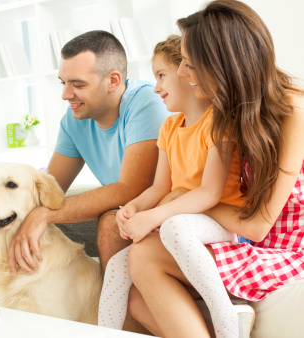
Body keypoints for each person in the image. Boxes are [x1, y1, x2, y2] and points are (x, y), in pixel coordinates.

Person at [118, 1, 304, 337]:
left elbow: (260, 226)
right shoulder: (228, 112)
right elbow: (204, 192)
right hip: (241, 234)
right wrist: (172, 202)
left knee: (147, 257)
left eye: (189, 64)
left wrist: (175, 201)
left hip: (281, 246)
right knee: (136, 290)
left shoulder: (293, 111)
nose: (183, 73)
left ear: (223, 63)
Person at [98, 34, 248, 336]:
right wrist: (134, 208)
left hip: (222, 224)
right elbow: (160, 187)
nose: (156, 88)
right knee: (116, 267)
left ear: (187, 72)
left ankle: (227, 320)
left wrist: (153, 217)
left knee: (174, 227)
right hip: (181, 220)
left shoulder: (219, 122)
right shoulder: (169, 127)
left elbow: (209, 193)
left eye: (161, 75)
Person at [8, 30, 169, 276]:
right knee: (17, 219)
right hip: (122, 209)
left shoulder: (146, 101)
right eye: (64, 83)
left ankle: (117, 314)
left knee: (108, 224)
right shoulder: (74, 120)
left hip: (159, 209)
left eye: (78, 84)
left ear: (113, 80)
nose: (66, 95)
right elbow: (51, 190)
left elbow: (130, 189)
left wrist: (43, 214)